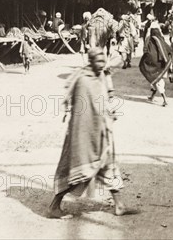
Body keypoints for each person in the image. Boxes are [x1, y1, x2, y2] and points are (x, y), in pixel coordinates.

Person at [49, 48, 132, 218]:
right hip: (83, 135)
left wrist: (108, 114)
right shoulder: (83, 80)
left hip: (100, 133)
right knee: (76, 171)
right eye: (98, 62)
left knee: (108, 167)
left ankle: (119, 205)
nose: (101, 65)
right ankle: (54, 206)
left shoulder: (99, 75)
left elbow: (102, 101)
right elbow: (84, 111)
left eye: (103, 62)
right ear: (91, 61)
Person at [140, 22, 171, 107]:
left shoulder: (149, 39)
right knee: (155, 82)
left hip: (155, 65)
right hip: (161, 64)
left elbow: (145, 50)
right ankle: (152, 96)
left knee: (157, 82)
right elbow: (168, 49)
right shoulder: (161, 39)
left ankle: (165, 100)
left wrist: (146, 58)